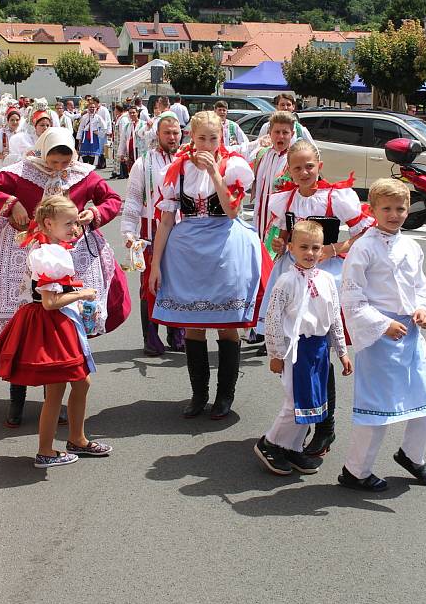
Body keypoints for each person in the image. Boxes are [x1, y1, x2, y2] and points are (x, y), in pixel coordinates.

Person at [0, 127, 131, 427]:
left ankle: (53, 399)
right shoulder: (22, 172)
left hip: (70, 256)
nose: (58, 169)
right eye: (53, 162)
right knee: (22, 328)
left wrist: (93, 215)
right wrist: (11, 203)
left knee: (60, 327)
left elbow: (112, 200)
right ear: (43, 153)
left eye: (64, 163)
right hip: (21, 256)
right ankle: (17, 398)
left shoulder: (83, 174)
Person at [149, 111, 272, 419]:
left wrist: (216, 173)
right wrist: (155, 264)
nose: (206, 143)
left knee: (227, 326)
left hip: (225, 247)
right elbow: (166, 220)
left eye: (213, 138)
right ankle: (198, 393)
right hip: (187, 251)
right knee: (194, 327)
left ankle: (224, 395)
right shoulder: (177, 170)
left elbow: (232, 211)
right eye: (201, 137)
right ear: (191, 137)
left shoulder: (234, 167)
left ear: (222, 138)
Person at [255, 139, 374, 452]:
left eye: (309, 166)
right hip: (293, 277)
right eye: (298, 167)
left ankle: (325, 427)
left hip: (327, 277)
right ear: (289, 171)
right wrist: (281, 244)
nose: (304, 171)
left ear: (319, 166)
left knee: (321, 354)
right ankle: (301, 421)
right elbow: (281, 234)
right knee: (298, 353)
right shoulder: (285, 199)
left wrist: (333, 249)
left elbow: (364, 230)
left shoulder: (337, 197)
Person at [0, 195, 112, 467]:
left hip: (58, 323)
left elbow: (53, 294)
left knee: (80, 382)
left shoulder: (54, 249)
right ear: (49, 223)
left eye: (76, 223)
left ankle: (77, 439)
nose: (74, 228)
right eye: (69, 223)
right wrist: (82, 294)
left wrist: (74, 294)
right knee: (56, 389)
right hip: (49, 325)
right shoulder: (46, 255)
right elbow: (50, 302)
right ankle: (46, 450)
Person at [339, 178, 426, 491]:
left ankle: (412, 454)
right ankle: (355, 470)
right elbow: (351, 297)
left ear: (408, 210)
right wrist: (382, 323)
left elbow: (419, 286)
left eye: (400, 208)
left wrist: (421, 308)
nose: (394, 214)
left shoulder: (412, 246)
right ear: (372, 210)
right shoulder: (364, 248)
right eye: (387, 208)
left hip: (409, 333)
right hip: (378, 335)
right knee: (377, 407)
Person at [254, 220, 352, 475]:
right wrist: (275, 354)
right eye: (304, 247)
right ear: (291, 248)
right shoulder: (286, 281)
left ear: (323, 251)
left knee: (312, 402)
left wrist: (341, 351)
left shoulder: (328, 280)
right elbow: (274, 319)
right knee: (294, 401)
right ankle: (270, 443)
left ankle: (292, 447)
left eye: (315, 248)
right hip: (294, 349)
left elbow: (333, 318)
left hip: (319, 349)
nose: (310, 253)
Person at [121, 112, 185, 355]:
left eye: (175, 132)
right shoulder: (144, 162)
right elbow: (134, 199)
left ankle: (176, 334)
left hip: (181, 232)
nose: (172, 137)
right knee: (150, 285)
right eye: (167, 132)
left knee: (179, 284)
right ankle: (151, 337)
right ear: (157, 134)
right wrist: (128, 231)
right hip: (150, 231)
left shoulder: (186, 159)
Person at [251, 111, 295, 252]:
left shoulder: (294, 160)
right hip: (258, 223)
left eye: (285, 132)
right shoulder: (261, 155)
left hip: (280, 229)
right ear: (269, 132)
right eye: (277, 132)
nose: (280, 136)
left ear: (292, 134)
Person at [117, 105, 147, 179]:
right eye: (130, 113)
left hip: (141, 151)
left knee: (142, 170)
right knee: (133, 172)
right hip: (130, 152)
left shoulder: (144, 124)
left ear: (137, 113)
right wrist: (121, 153)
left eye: (134, 112)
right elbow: (123, 140)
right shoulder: (127, 126)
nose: (132, 114)